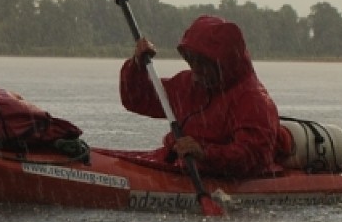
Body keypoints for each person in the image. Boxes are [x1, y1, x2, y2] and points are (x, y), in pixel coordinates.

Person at [119, 15, 283, 177]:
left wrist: (204, 153)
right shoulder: (187, 84)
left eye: (203, 62)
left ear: (224, 63)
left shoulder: (254, 100)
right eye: (191, 59)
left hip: (222, 176)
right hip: (179, 166)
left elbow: (252, 157)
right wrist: (137, 65)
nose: (196, 68)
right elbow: (137, 99)